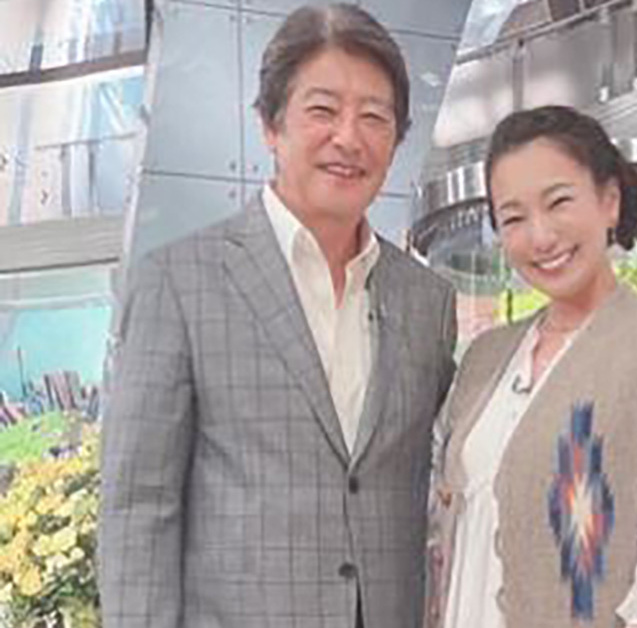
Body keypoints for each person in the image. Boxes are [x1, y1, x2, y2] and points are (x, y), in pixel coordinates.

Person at [98, 5, 457, 628]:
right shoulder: (180, 282)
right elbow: (138, 505)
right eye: (323, 110)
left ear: (396, 140)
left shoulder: (427, 301)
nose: (349, 138)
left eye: (374, 117)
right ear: (270, 124)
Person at [427, 105, 637, 628]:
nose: (540, 236)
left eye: (559, 203)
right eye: (513, 218)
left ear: (609, 201)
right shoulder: (484, 359)